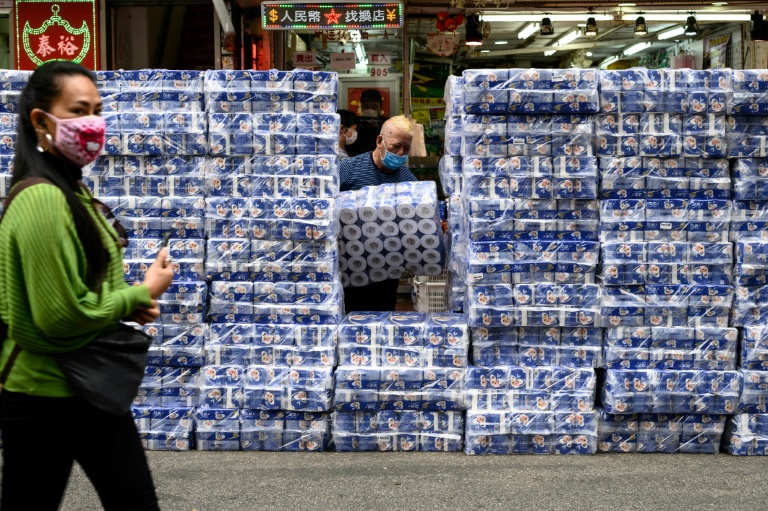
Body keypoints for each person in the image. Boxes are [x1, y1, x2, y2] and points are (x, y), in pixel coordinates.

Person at [0, 62, 173, 510]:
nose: (93, 123)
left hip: (91, 387)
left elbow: (76, 290)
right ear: (40, 120)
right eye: (79, 111)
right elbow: (59, 316)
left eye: (97, 109)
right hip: (44, 395)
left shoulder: (72, 191)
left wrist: (123, 306)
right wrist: (140, 294)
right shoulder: (41, 198)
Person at [340, 115, 417, 312]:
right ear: (380, 141)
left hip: (386, 272)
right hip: (348, 270)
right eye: (396, 146)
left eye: (406, 148)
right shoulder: (347, 170)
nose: (400, 153)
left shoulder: (409, 183)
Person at [346, 89, 388, 157]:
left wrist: (378, 128)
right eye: (366, 107)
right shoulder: (355, 122)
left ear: (380, 108)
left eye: (374, 107)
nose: (370, 110)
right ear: (361, 107)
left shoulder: (387, 123)